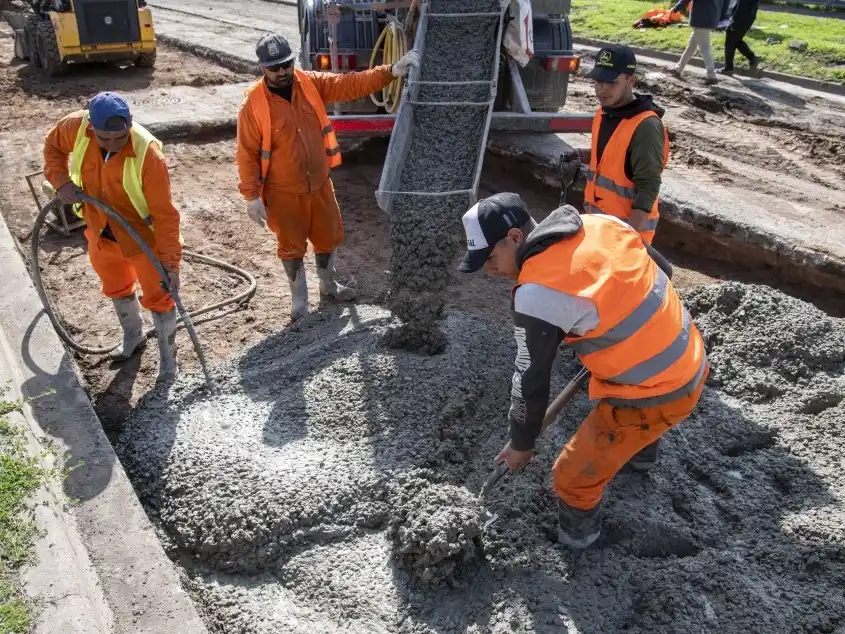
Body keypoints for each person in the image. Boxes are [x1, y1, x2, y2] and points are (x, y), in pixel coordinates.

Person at [457, 193, 709, 549]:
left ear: (515, 238)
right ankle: (641, 457)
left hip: (658, 392)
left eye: (490, 258)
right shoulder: (601, 223)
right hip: (689, 353)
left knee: (571, 477)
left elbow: (530, 380)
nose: (489, 270)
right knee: (625, 413)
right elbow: (662, 273)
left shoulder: (537, 292)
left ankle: (579, 542)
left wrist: (521, 443)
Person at [237, 33, 419, 321]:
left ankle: (328, 285)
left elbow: (348, 85)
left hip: (320, 184)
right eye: (275, 68)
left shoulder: (309, 83)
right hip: (284, 192)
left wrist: (390, 71)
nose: (283, 72)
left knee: (328, 236)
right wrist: (251, 196)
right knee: (291, 246)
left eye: (287, 64)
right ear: (262, 68)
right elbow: (246, 153)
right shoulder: (253, 106)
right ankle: (299, 300)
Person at [44, 91, 181, 381]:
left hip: (141, 236)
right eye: (104, 139)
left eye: (120, 138)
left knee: (160, 295)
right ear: (92, 128)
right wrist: (60, 181)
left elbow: (166, 214)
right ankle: (134, 334)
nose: (113, 145)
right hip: (99, 228)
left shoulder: (149, 154)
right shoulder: (75, 127)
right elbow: (53, 146)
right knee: (116, 285)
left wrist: (170, 264)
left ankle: (169, 361)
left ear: (129, 124)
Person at [567, 45, 669, 245]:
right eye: (598, 81)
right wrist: (585, 155)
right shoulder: (604, 113)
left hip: (625, 239)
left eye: (610, 82)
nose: (601, 89)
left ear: (631, 81)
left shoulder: (646, 127)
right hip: (597, 229)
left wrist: (627, 241)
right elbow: (614, 158)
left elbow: (648, 186)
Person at [670, 0, 724, 85]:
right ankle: (678, 69)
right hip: (710, 17)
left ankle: (712, 76)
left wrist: (675, 8)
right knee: (691, 46)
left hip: (701, 20)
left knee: (705, 49)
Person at [720, 0, 761, 77]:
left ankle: (728, 68)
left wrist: (733, 22)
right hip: (747, 19)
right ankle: (752, 58)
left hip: (740, 20)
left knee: (730, 41)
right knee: (735, 40)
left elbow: (741, 8)